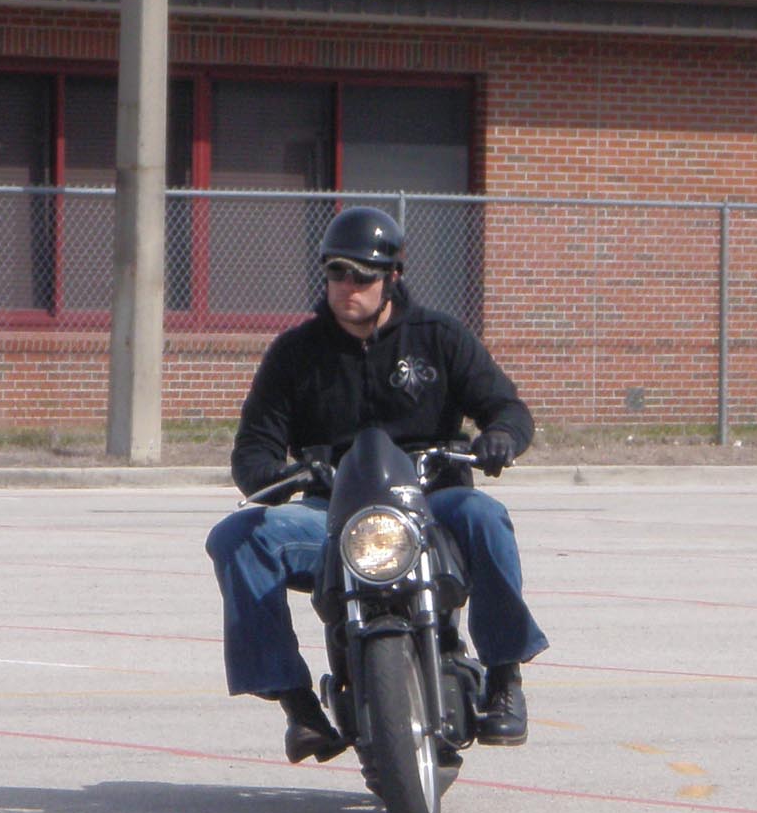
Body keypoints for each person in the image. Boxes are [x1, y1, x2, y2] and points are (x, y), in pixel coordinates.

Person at [205, 205, 548, 764]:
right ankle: (298, 706)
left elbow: (508, 408)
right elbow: (253, 449)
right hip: (333, 511)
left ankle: (505, 678)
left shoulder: (438, 338)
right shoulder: (295, 354)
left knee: (486, 517)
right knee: (236, 537)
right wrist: (273, 474)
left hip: (432, 500)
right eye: (337, 273)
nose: (348, 286)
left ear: (392, 277)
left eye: (362, 275)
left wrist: (501, 437)